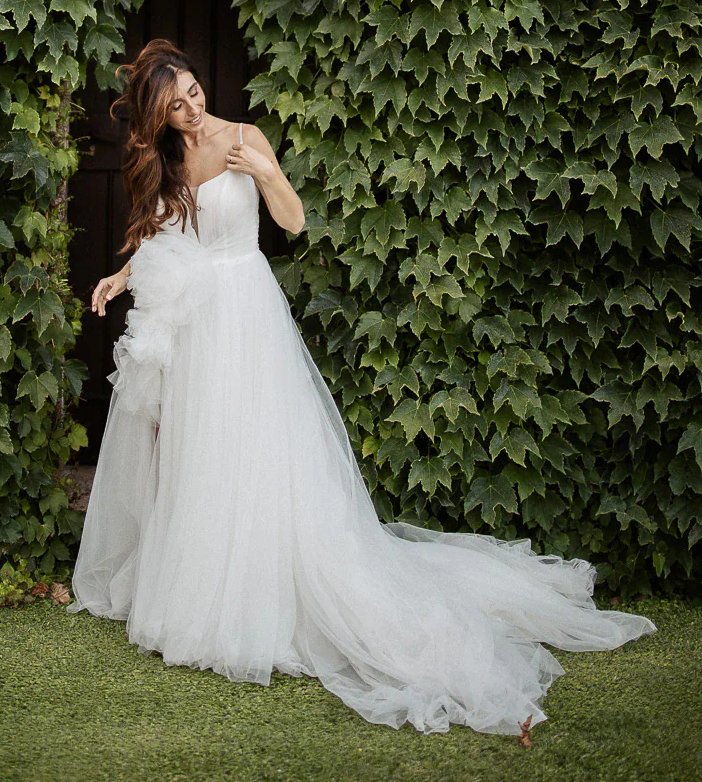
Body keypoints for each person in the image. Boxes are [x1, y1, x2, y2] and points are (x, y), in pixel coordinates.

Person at [67, 38, 655, 736]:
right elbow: (163, 238)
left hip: (246, 314)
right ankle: (206, 590)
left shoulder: (242, 138)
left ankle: (282, 593)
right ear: (158, 117)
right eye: (177, 105)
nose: (193, 109)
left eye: (194, 93)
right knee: (206, 457)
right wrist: (120, 274)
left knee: (264, 453)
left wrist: (261, 168)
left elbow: (292, 221)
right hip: (197, 328)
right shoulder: (164, 165)